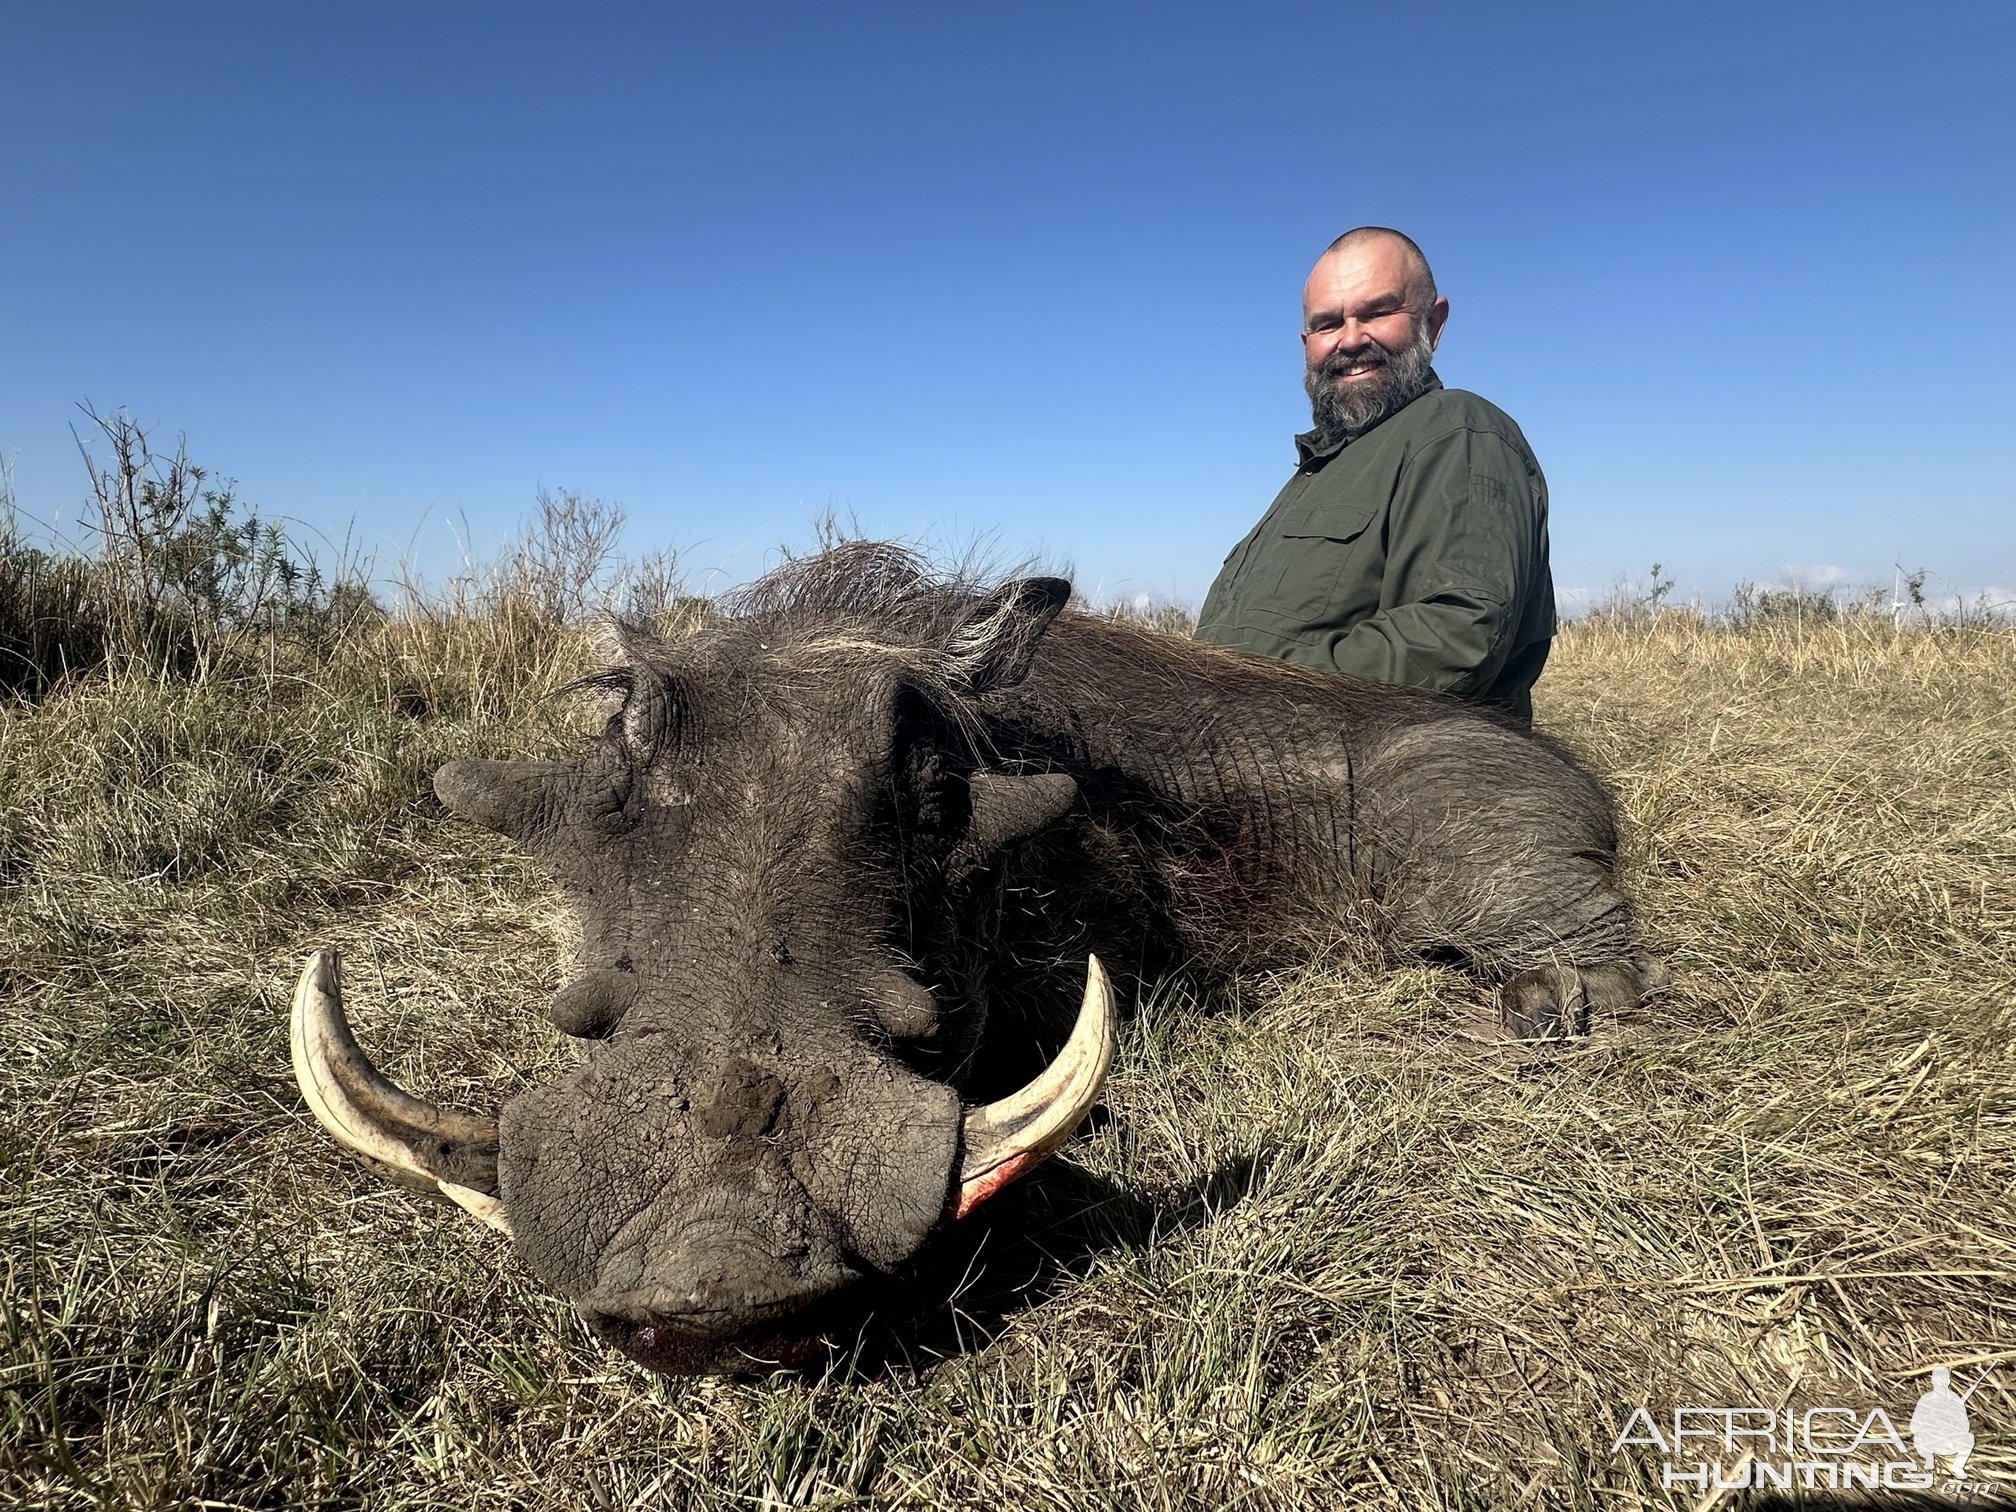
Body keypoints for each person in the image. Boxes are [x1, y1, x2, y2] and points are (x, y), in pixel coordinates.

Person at [1196, 228, 1555, 725]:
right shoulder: (1322, 469)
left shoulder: (1459, 431)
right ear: (1307, 344)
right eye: (1327, 324)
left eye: (1376, 313)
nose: (1350, 339)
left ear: (1433, 322)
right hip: (1239, 761)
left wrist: (1237, 704)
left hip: (1384, 783)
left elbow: (1456, 632)